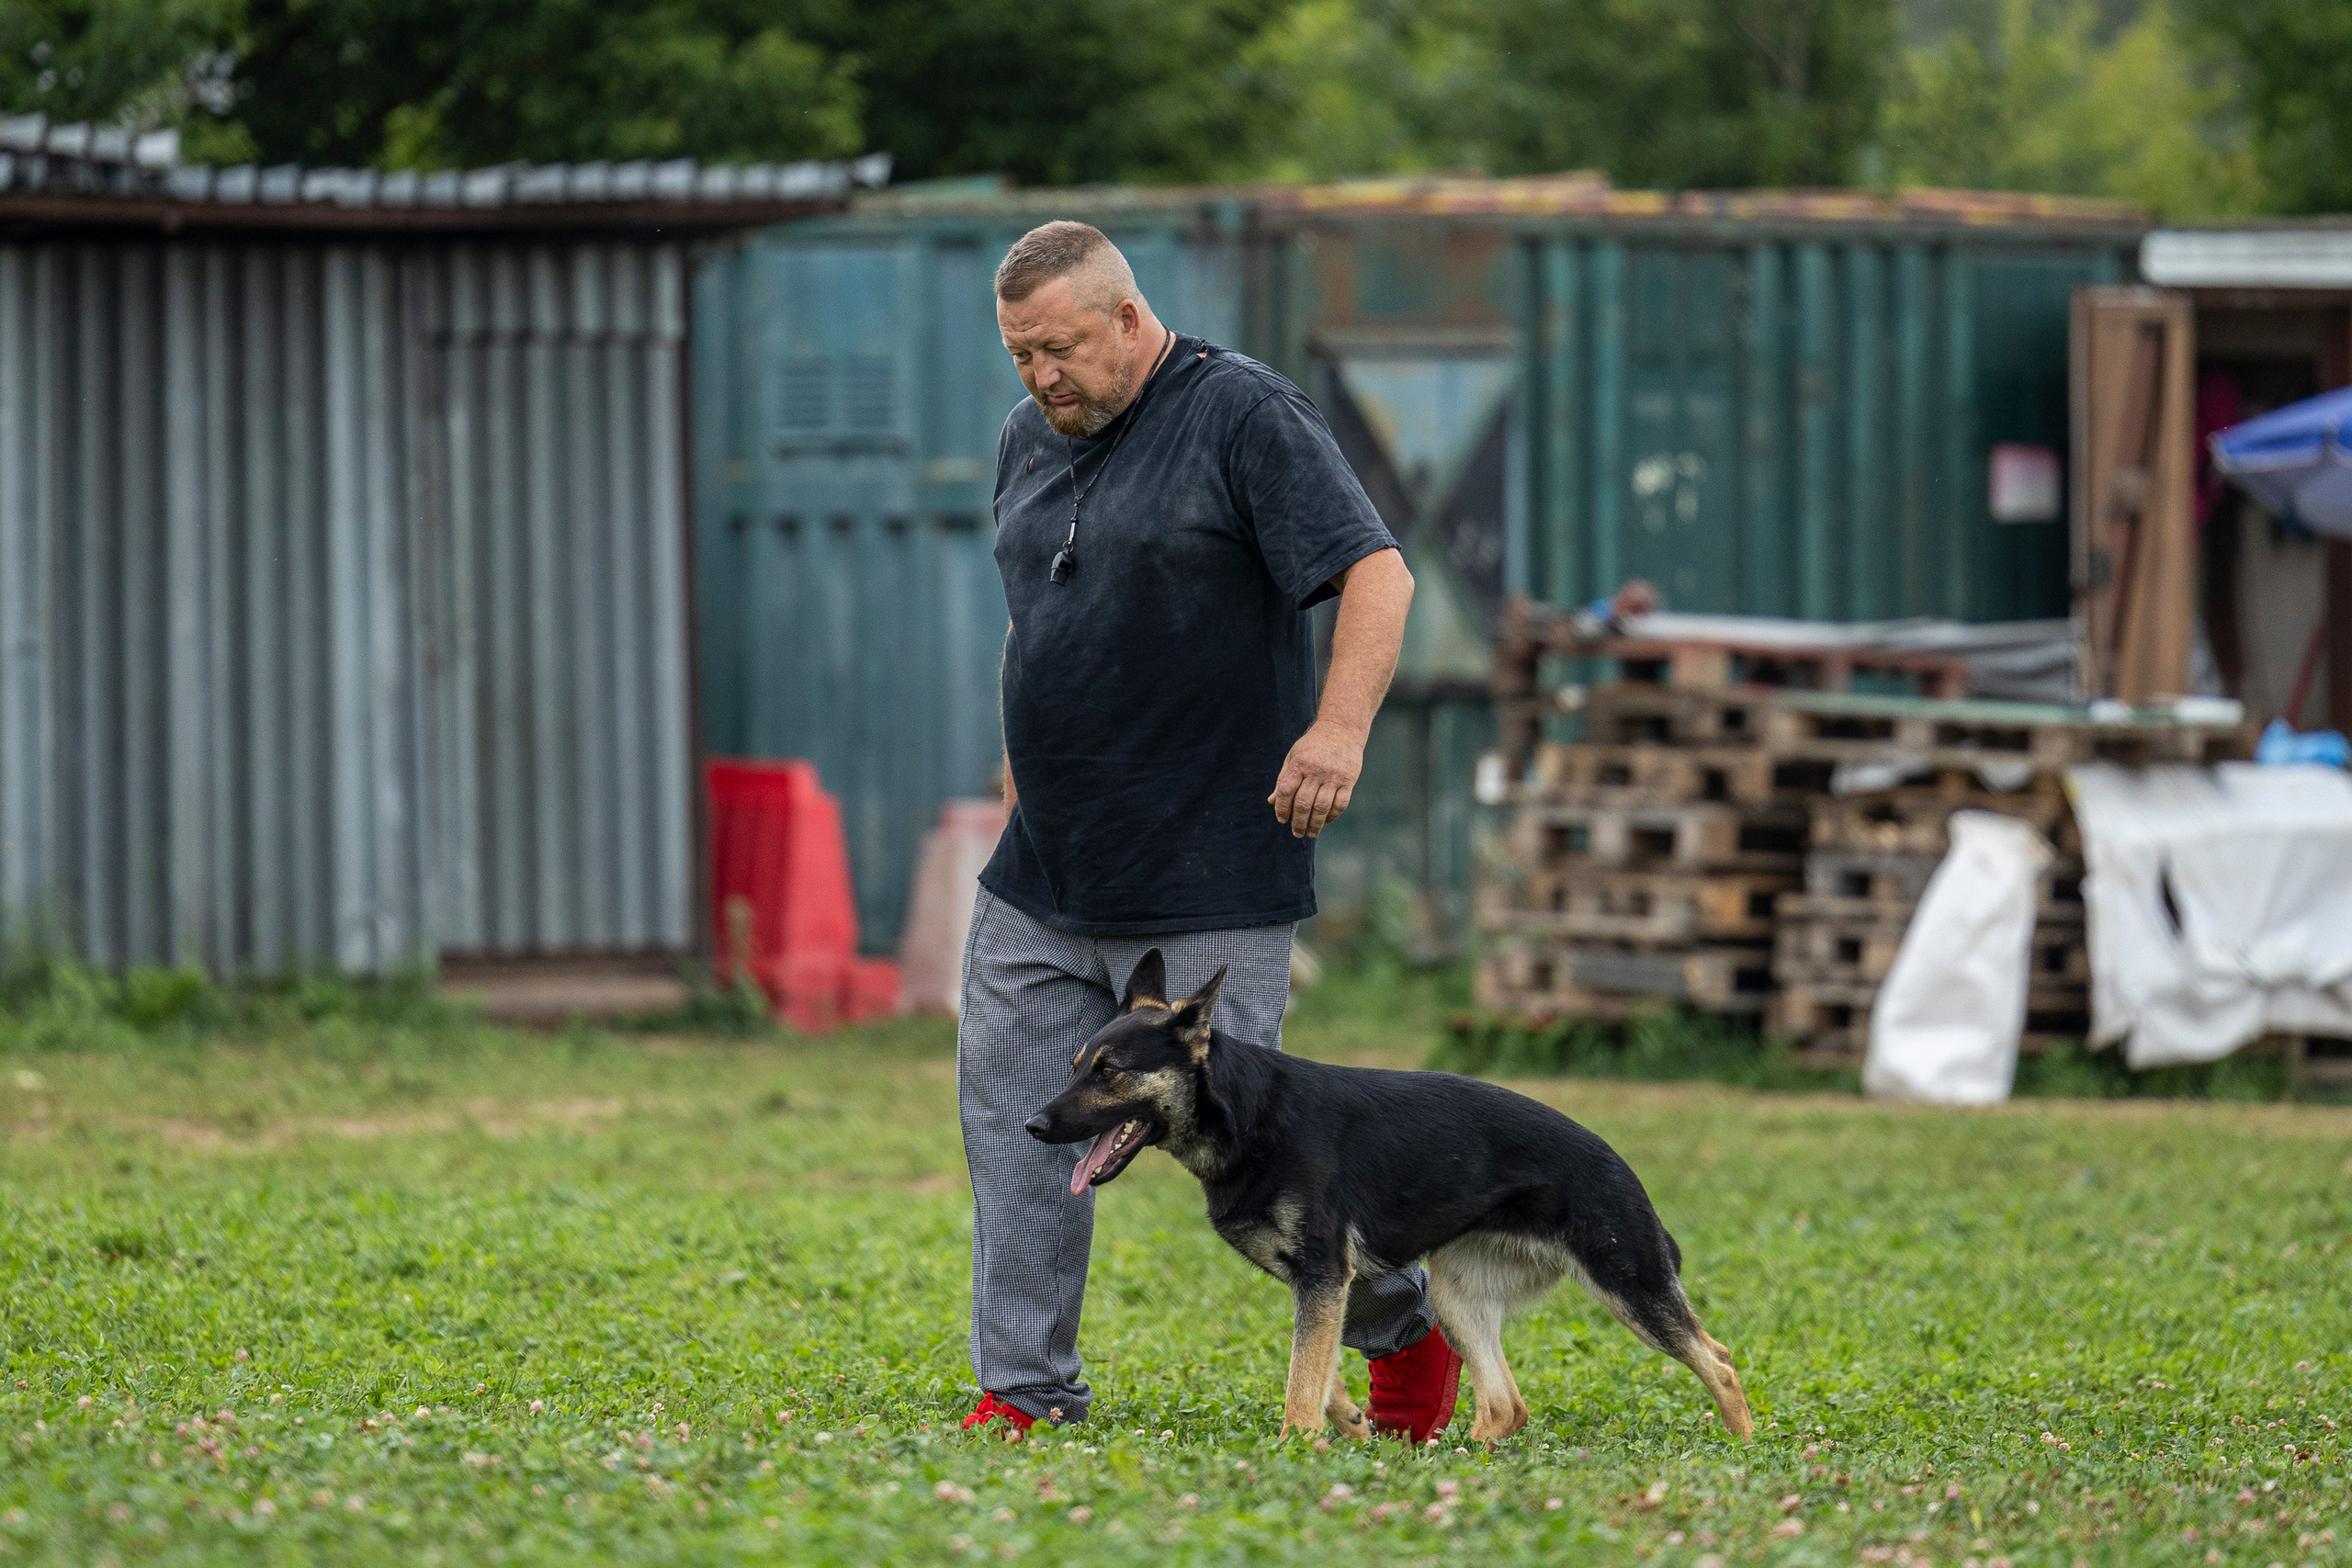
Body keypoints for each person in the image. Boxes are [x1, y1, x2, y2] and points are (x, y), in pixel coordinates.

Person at [956, 220, 1462, 1443]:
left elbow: (1377, 576)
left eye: (1060, 349)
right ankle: (1024, 1393)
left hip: (1208, 869)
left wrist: (1336, 734)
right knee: (1012, 1125)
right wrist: (1018, 771)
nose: (1039, 378)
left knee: (1260, 1158)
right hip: (1047, 868)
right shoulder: (1031, 438)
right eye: (1019, 354)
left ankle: (1406, 1336)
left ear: (1127, 319)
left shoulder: (1243, 416)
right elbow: (1042, 623)